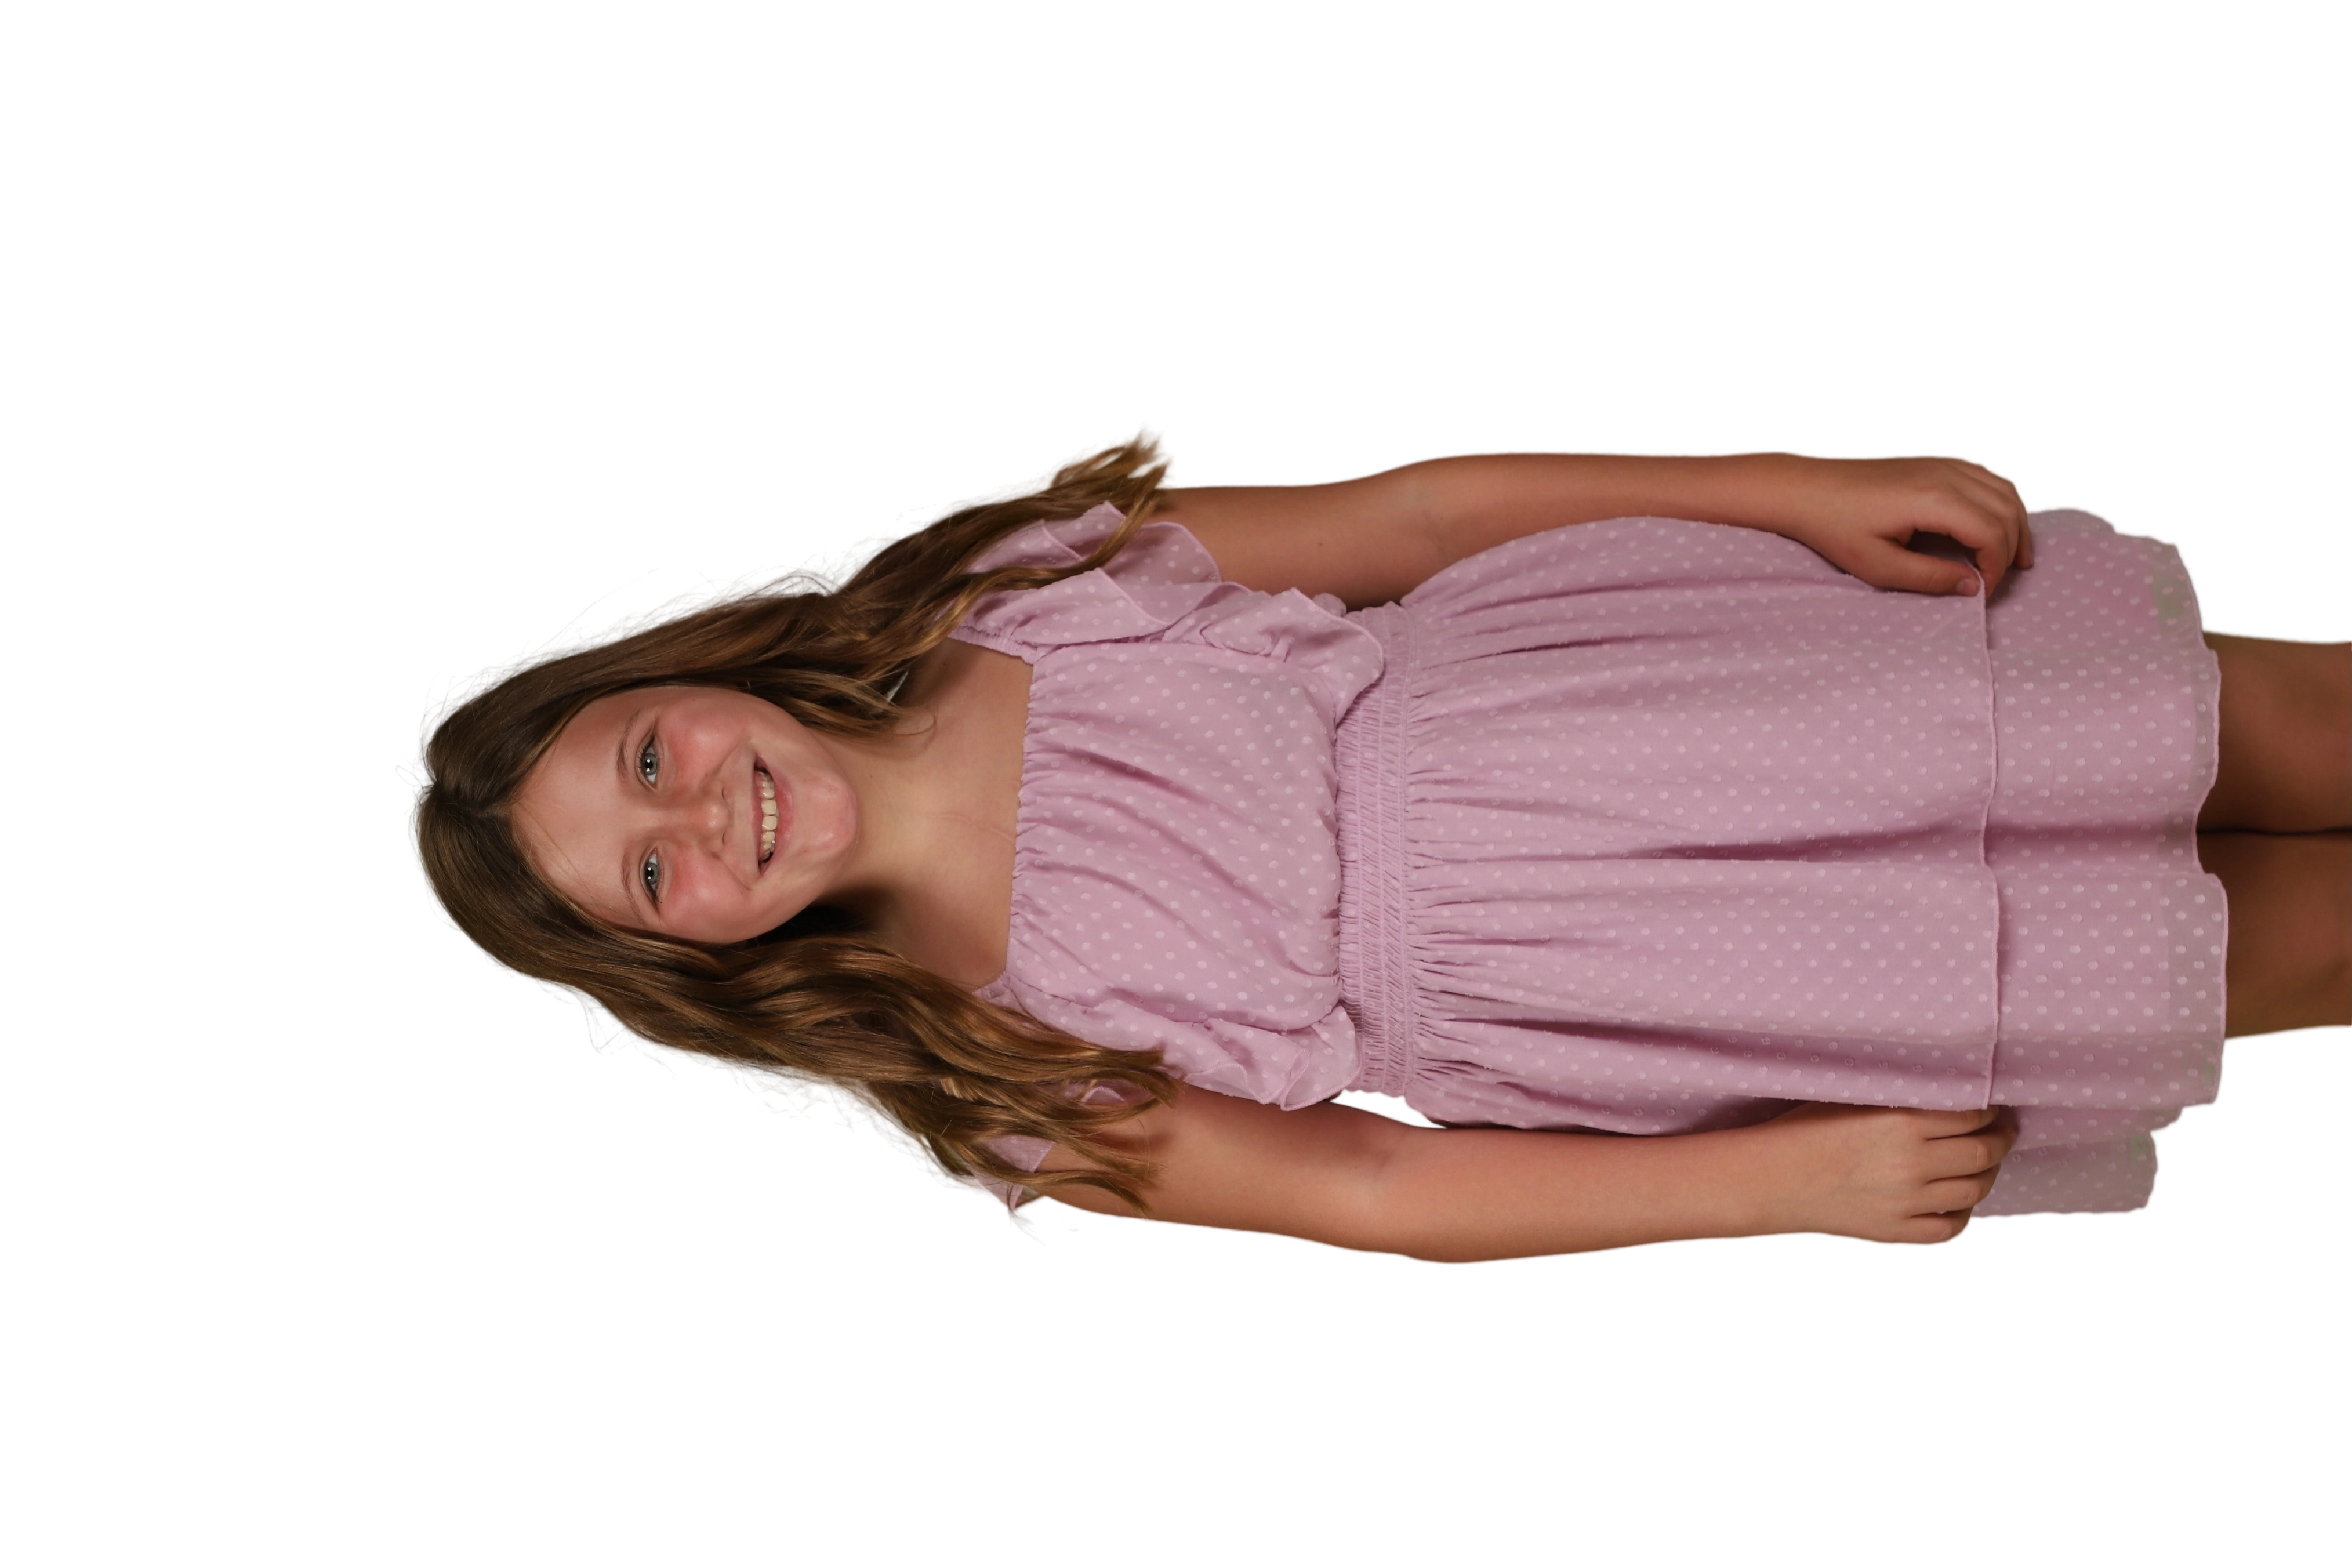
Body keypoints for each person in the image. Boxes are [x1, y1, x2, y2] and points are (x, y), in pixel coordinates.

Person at [397, 419, 2352, 1264]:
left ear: (686, 673)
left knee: (2270, 723)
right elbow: (1374, 1189)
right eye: (648, 872)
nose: (699, 815)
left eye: (646, 755)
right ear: (686, 958)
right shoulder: (981, 1065)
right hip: (1645, 989)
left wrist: (1786, 489)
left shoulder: (1002, 599)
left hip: (1659, 689)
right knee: (2295, 941)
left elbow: (1412, 522)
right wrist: (1785, 1181)